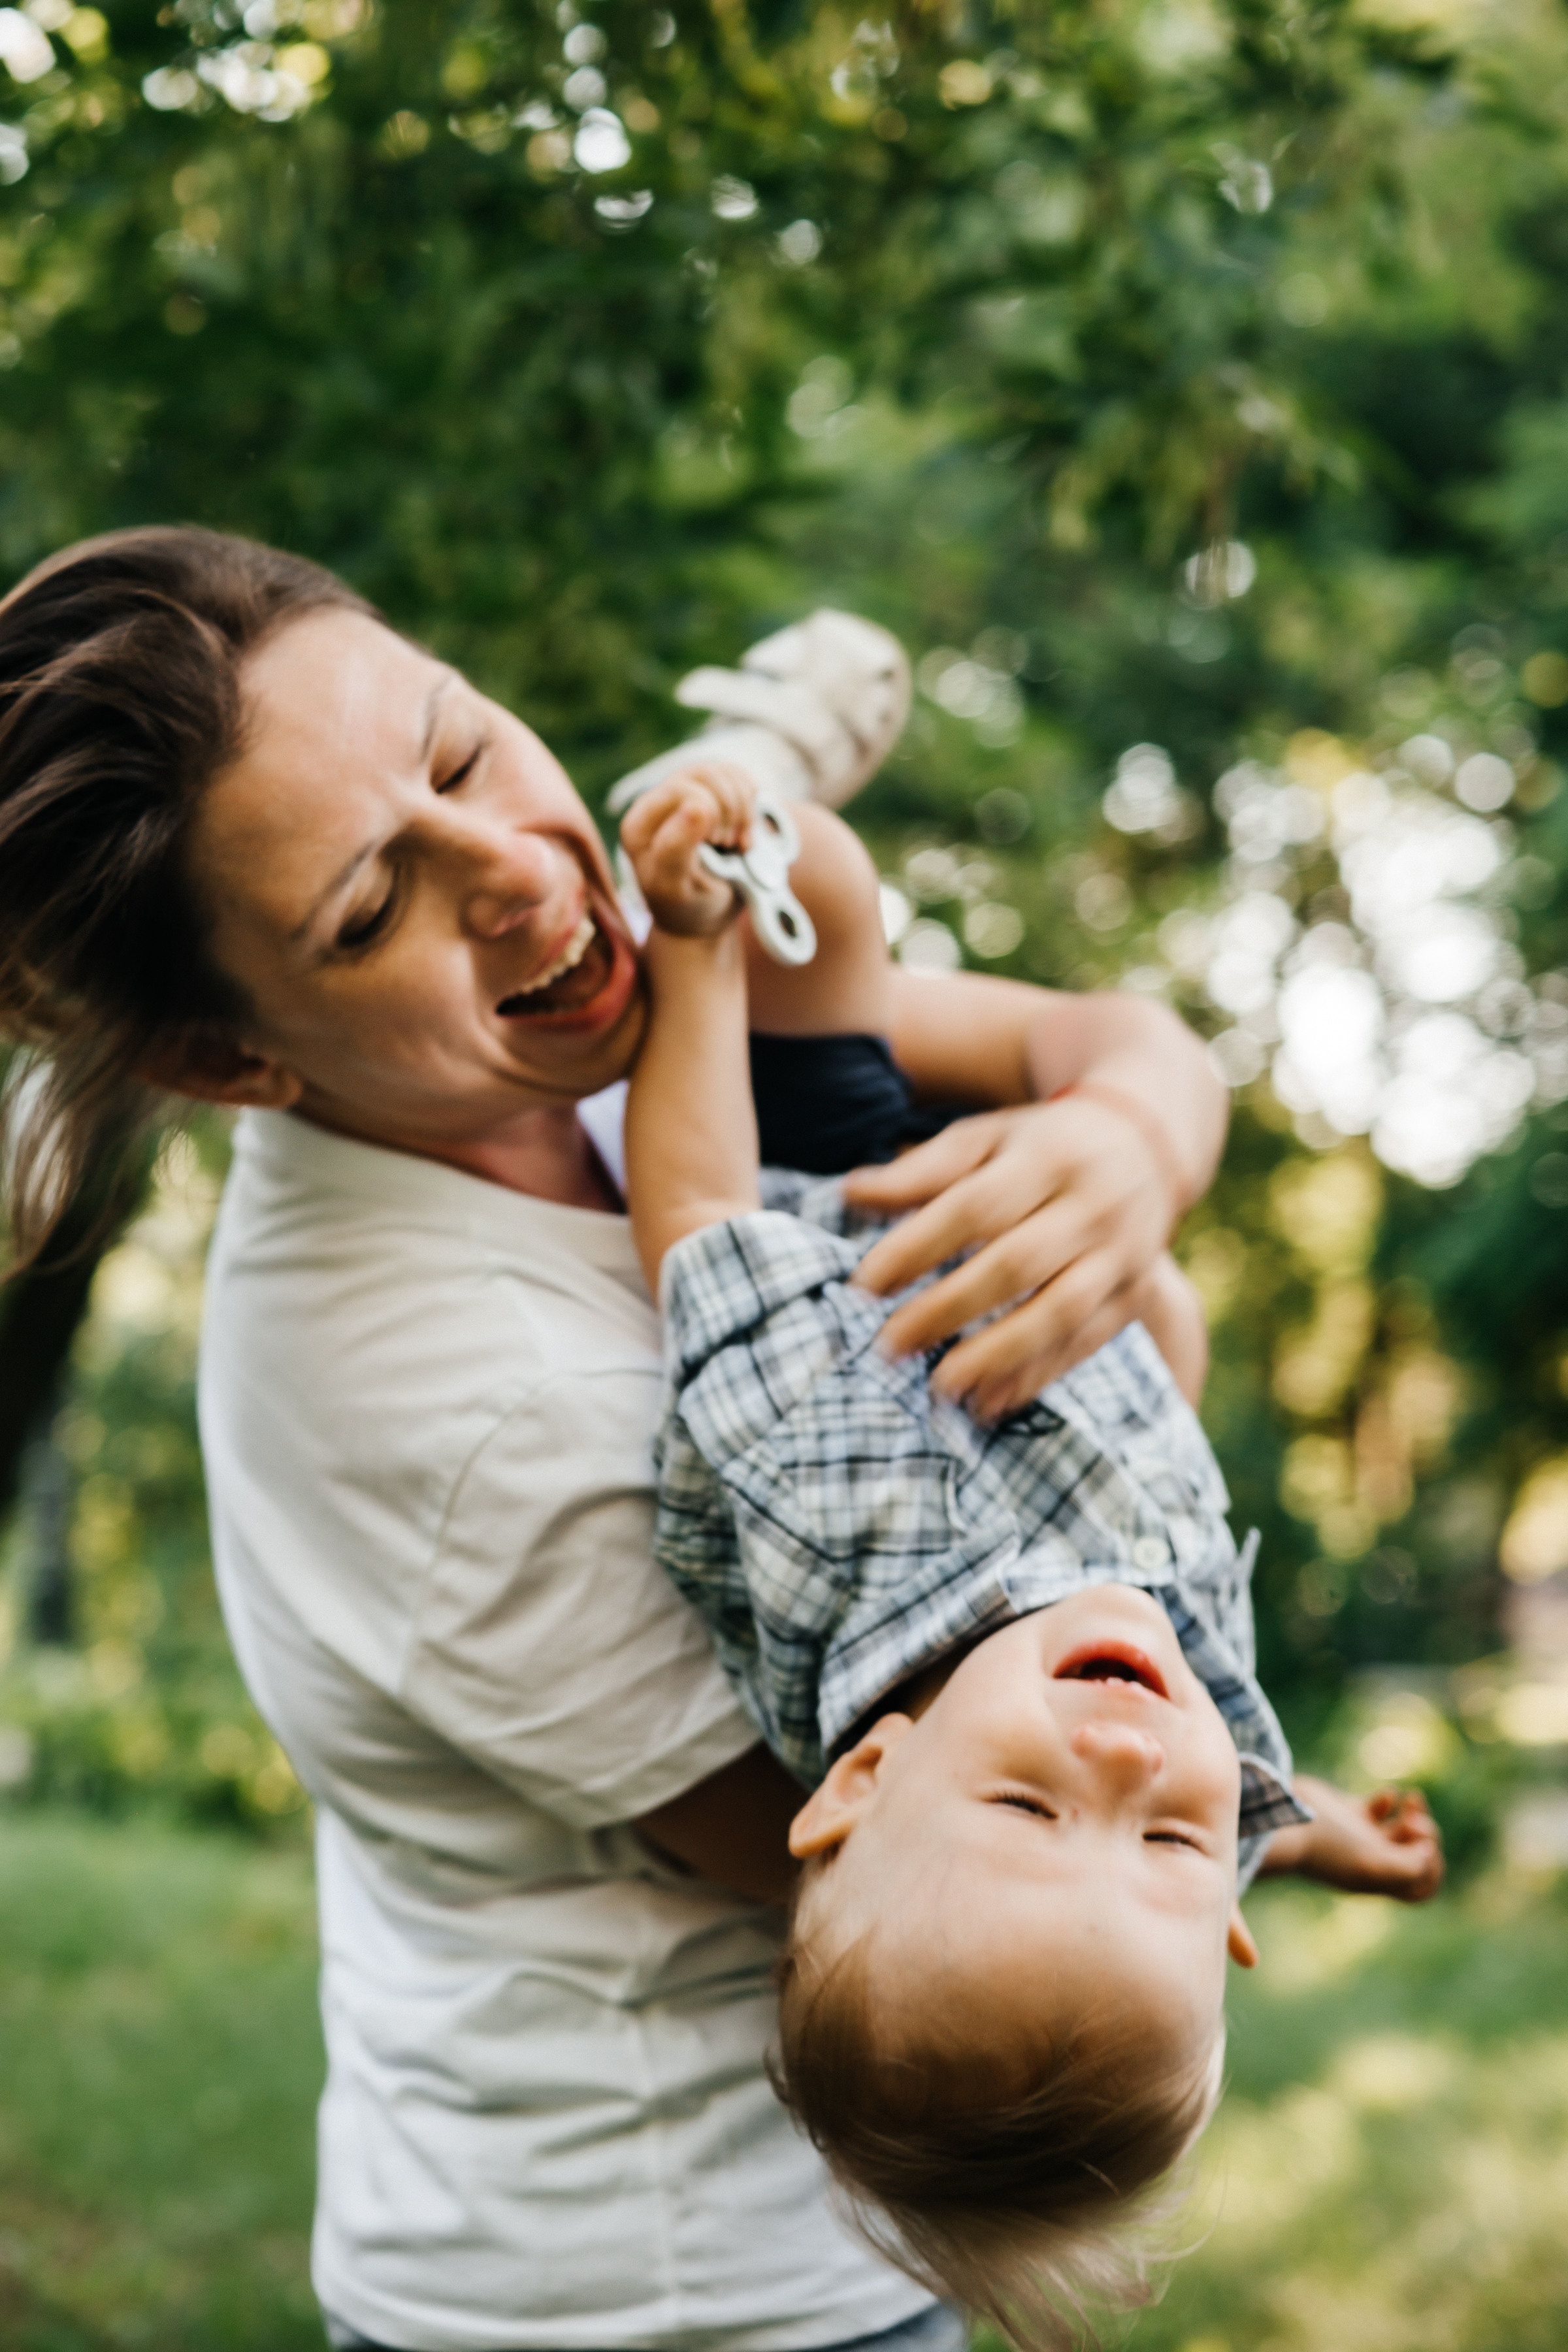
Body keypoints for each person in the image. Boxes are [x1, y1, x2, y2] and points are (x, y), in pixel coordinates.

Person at [1, 525, 1233, 2352]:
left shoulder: (572, 1025)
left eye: (461, 748)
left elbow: (1080, 1031)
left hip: (821, 2236)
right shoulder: (450, 1411)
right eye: (370, 912)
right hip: (659, 2293)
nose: (518, 875)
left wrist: (1140, 1129)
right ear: (230, 1062)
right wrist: (1160, 1373)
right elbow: (920, 1840)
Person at [617, 764, 1446, 2349]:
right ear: (1224, 1916)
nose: (1128, 1756)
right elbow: (1237, 1795)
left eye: (1027, 1801)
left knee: (826, 883)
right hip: (1084, 1329)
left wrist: (697, 953)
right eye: (1171, 1851)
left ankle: (757, 766)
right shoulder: (1176, 1761)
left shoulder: (832, 1508)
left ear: (860, 1782)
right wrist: (1328, 1831)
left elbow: (700, 1217)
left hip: (864, 1213)